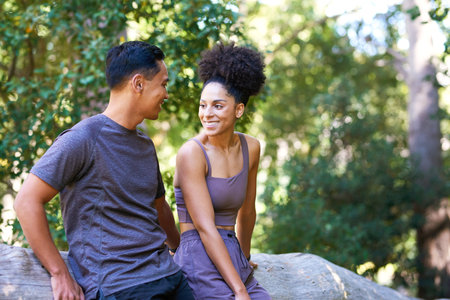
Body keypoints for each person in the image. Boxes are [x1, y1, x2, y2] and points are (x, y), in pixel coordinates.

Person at [14, 41, 194, 300]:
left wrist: (182, 249)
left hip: (170, 278)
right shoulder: (82, 139)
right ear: (139, 84)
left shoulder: (145, 145)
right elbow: (26, 201)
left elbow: (158, 207)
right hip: (120, 287)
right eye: (163, 84)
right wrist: (60, 273)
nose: (166, 94)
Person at [173, 42, 271, 300]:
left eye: (218, 106)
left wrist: (245, 258)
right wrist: (239, 289)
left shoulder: (251, 147)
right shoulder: (191, 153)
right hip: (198, 255)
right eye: (203, 105)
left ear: (239, 109)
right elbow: (205, 227)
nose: (207, 114)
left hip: (231, 253)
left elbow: (247, 211)